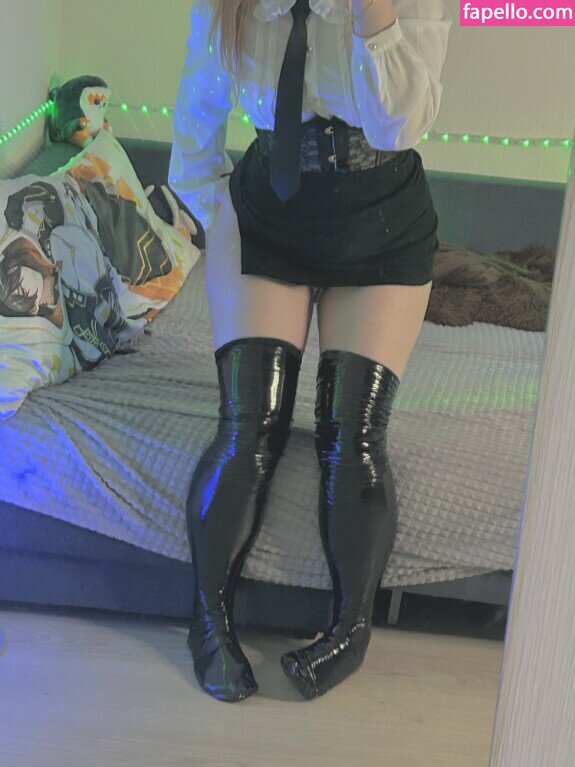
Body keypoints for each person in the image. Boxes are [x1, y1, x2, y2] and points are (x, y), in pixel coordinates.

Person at [169, 0, 452, 702]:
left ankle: (350, 630)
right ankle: (207, 621)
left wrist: (373, 15)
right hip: (267, 211)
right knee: (249, 425)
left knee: (353, 432)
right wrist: (220, 216)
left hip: (382, 218)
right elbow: (197, 111)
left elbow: (400, 125)